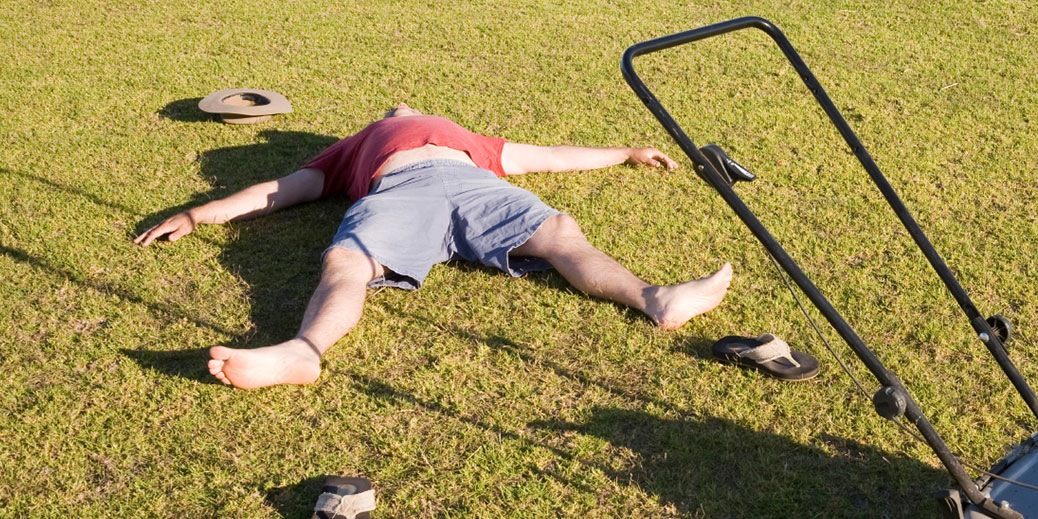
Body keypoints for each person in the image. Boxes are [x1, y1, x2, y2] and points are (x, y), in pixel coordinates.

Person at [136, 102, 732, 389]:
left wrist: (625, 152)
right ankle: (302, 351)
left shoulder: (468, 139)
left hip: (475, 186)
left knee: (557, 232)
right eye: (394, 109)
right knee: (347, 262)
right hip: (401, 190)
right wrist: (201, 213)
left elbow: (547, 158)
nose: (402, 106)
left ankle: (656, 299)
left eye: (407, 107)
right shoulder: (358, 143)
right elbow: (284, 188)